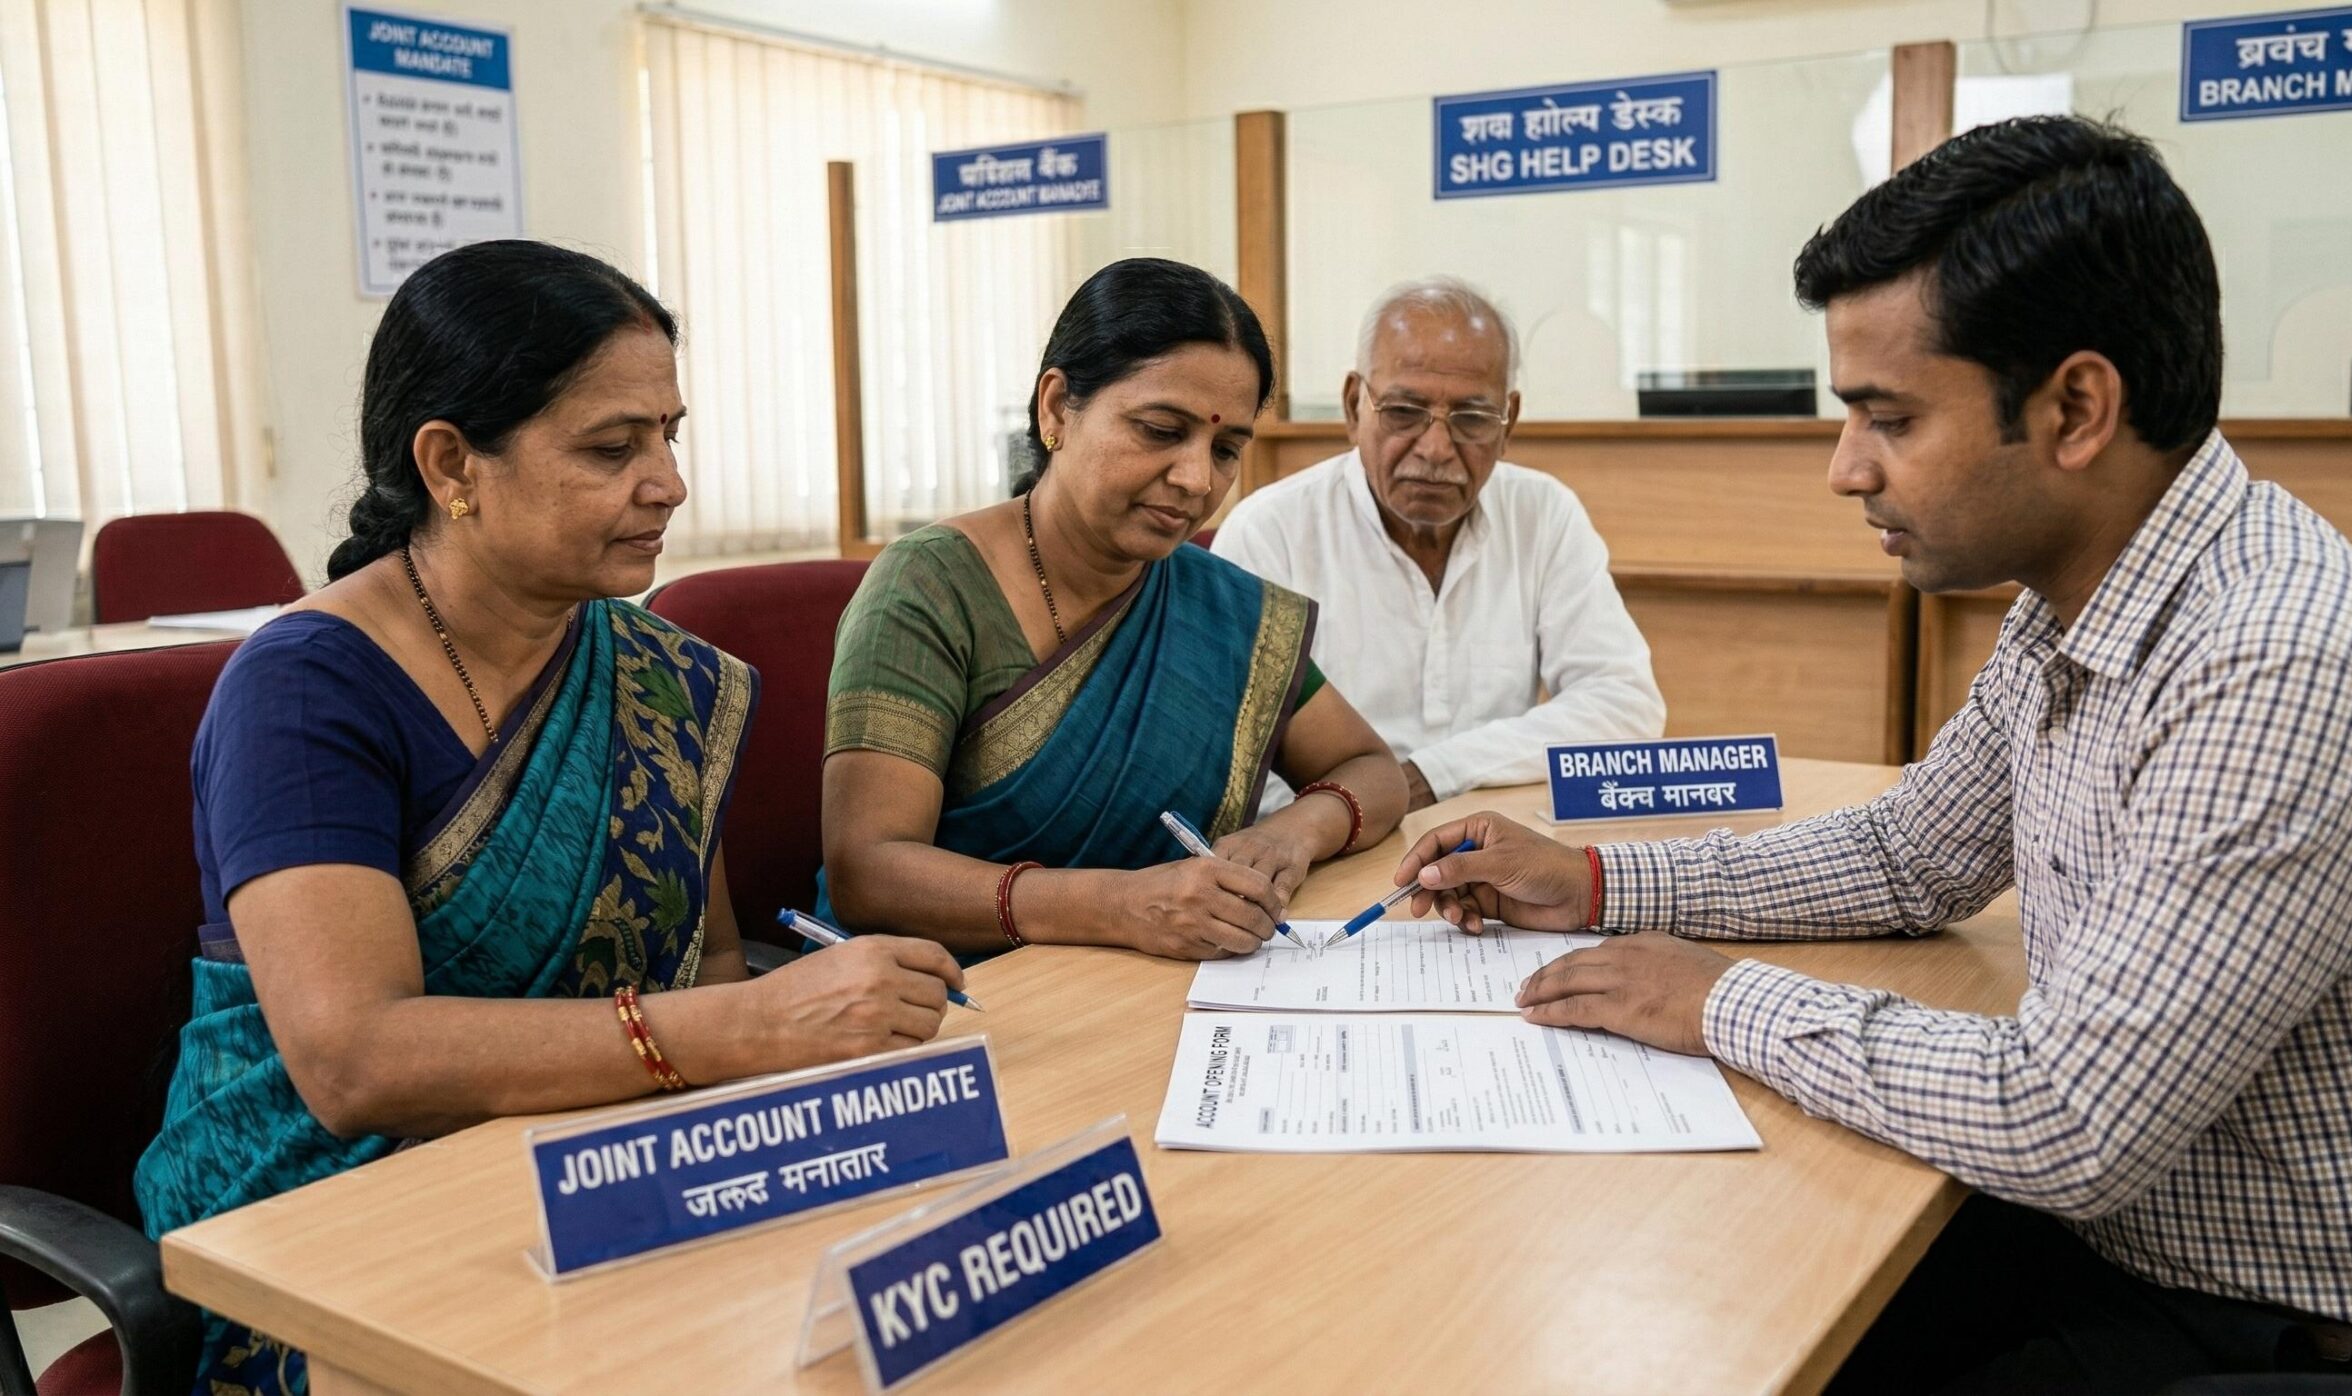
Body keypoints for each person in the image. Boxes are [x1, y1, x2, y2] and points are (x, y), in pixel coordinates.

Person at [1394, 117, 2352, 1394]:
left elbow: (2068, 1119)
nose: (1846, 470)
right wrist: (1598, 884)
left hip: (2325, 1339)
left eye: (1886, 417)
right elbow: (1909, 855)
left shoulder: (2276, 659)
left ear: (2074, 408)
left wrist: (1716, 997)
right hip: (2138, 1258)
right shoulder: (2077, 594)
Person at [133, 241, 966, 1396]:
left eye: (671, 433)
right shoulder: (308, 689)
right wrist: (759, 1028)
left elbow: (711, 962)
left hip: (608, 1163)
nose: (668, 480)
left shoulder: (664, 677)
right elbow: (356, 1060)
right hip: (330, 1220)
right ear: (450, 462)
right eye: (612, 447)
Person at [822, 258, 1405, 961]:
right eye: (1161, 430)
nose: (1196, 479)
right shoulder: (930, 589)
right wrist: (1121, 904)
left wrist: (1294, 833)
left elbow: (1372, 768)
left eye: (1225, 449)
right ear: (1056, 408)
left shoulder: (1224, 608)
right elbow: (870, 869)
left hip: (1152, 983)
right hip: (945, 998)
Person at [1211, 277, 1663, 811]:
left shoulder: (1542, 513)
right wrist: (1366, 805)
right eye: (1404, 412)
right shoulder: (1272, 532)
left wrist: (1431, 776)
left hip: (1496, 841)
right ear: (1354, 406)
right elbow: (1236, 762)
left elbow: (1624, 704)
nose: (1436, 448)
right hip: (1327, 846)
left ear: (1508, 421)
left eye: (1471, 419)